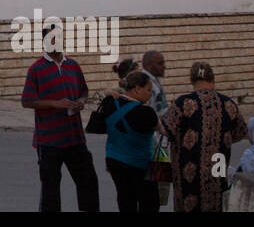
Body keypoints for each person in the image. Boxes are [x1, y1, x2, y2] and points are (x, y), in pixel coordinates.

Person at [20, 23, 100, 212]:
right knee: (50, 191)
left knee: (88, 182)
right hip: (48, 141)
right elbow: (27, 101)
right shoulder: (36, 69)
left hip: (74, 138)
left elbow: (84, 91)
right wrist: (55, 104)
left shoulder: (73, 66)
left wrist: (80, 101)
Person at [160, 61, 248, 212]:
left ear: (191, 80)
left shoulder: (184, 103)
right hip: (218, 167)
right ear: (213, 79)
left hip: (188, 171)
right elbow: (241, 132)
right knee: (217, 202)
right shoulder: (228, 104)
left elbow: (166, 129)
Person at [94, 70, 161, 213]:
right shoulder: (146, 113)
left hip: (114, 160)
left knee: (125, 201)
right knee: (150, 203)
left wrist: (109, 91)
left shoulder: (110, 102)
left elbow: (103, 93)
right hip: (141, 164)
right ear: (137, 88)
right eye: (148, 90)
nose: (150, 94)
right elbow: (165, 130)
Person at [141, 49, 171, 207]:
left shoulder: (154, 81)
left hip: (161, 142)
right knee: (153, 191)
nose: (164, 67)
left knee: (160, 191)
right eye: (160, 63)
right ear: (149, 65)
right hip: (154, 143)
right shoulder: (146, 83)